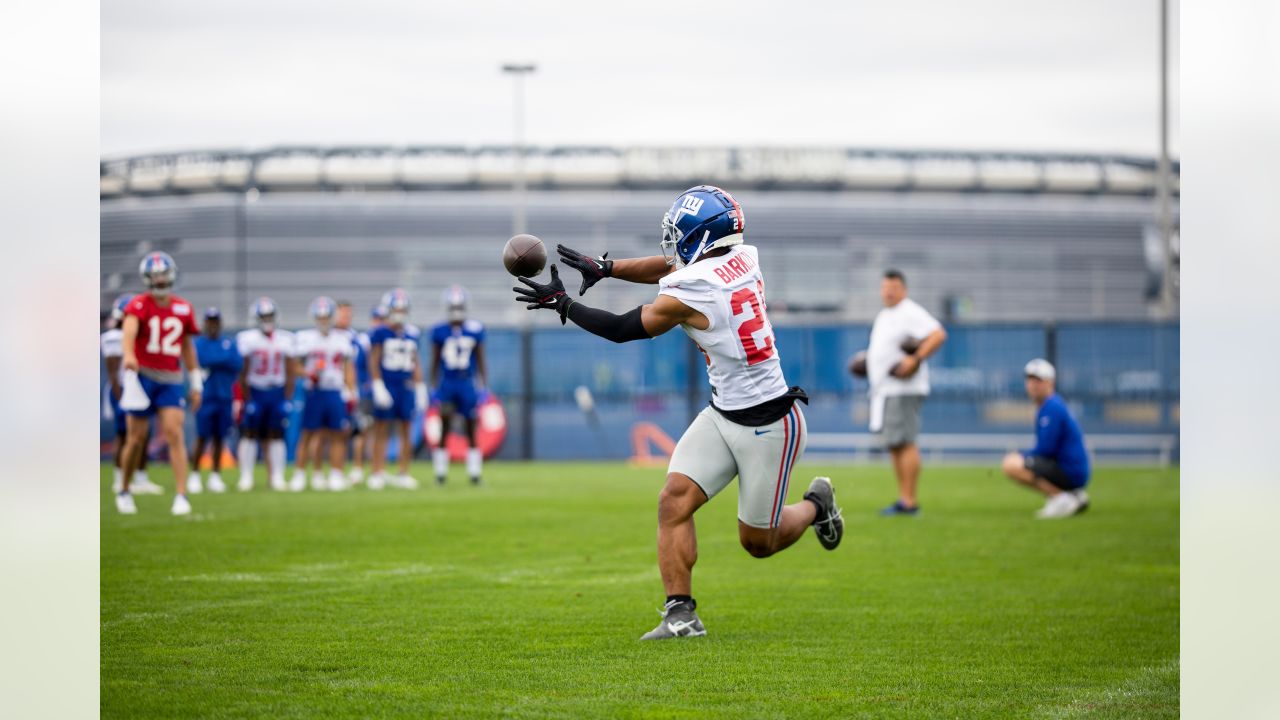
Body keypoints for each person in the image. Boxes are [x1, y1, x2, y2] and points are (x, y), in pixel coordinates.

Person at [520, 185, 844, 640]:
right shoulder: (743, 255)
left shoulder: (697, 291)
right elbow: (676, 267)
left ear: (702, 238)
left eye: (680, 235)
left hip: (770, 423)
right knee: (673, 500)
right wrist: (607, 268)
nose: (671, 245)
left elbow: (621, 329)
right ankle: (681, 614)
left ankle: (816, 506)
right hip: (723, 412)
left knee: (758, 543)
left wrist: (565, 304)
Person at [116, 252, 202, 515]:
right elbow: (128, 333)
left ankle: (181, 495)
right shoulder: (139, 305)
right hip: (143, 377)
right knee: (136, 438)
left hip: (171, 378)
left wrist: (196, 381)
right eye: (155, 276)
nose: (160, 279)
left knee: (175, 433)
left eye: (163, 274)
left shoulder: (183, 307)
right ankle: (124, 489)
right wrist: (129, 355)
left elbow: (187, 347)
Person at [866, 269, 948, 516]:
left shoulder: (909, 311)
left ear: (904, 290)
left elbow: (938, 334)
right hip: (887, 390)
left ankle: (909, 501)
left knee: (905, 442)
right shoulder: (885, 315)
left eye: (893, 287)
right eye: (885, 287)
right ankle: (904, 499)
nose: (888, 291)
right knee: (895, 444)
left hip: (903, 388)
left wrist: (915, 359)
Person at [1001, 359, 1091, 518]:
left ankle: (1061, 498)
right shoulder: (1051, 405)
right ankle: (1072, 495)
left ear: (1050, 382)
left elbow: (1046, 449)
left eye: (1038, 380)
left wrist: (1022, 454)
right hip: (1072, 469)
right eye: (1030, 380)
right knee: (1018, 459)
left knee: (1011, 463)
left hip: (1070, 470)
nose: (1033, 384)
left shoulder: (1051, 407)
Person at [295, 297, 357, 492]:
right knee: (309, 433)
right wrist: (308, 373)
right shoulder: (305, 338)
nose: (323, 321)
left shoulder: (342, 338)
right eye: (320, 317)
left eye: (326, 317)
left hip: (334, 390)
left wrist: (350, 390)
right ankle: (302, 474)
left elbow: (348, 367)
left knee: (338, 434)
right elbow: (294, 366)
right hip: (314, 391)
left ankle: (336, 474)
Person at [235, 297, 297, 492]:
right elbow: (243, 371)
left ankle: (277, 477)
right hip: (255, 389)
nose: (267, 319)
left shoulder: (285, 339)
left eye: (270, 316)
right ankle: (246, 476)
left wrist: (287, 397)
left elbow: (290, 371)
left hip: (277, 390)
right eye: (264, 316)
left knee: (277, 434)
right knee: (249, 433)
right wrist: (245, 397)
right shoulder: (247, 338)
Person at [102, 294, 162, 495]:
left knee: (142, 436)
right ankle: (119, 478)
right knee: (123, 435)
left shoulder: (140, 335)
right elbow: (113, 373)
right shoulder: (114, 337)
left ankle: (141, 478)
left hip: (140, 389)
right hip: (124, 390)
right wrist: (120, 397)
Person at [429, 285, 488, 485]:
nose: (456, 308)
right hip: (448, 382)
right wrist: (433, 387)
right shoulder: (439, 330)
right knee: (444, 427)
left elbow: (481, 360)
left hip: (466, 382)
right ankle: (440, 474)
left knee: (471, 427)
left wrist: (484, 386)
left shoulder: (475, 329)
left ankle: (474, 474)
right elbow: (435, 361)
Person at [368, 289, 427, 490]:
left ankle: (403, 472)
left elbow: (415, 361)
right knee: (381, 429)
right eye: (396, 308)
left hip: (405, 385)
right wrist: (377, 385)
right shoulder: (380, 331)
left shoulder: (412, 332)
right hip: (388, 383)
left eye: (403, 308)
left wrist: (420, 386)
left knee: (406, 429)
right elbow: (374, 360)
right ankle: (377, 472)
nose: (400, 312)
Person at [187, 308, 241, 494]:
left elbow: (236, 363)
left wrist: (213, 361)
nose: (212, 325)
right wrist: (219, 360)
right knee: (202, 436)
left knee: (220, 437)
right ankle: (194, 475)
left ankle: (215, 476)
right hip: (206, 396)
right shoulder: (198, 343)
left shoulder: (228, 342)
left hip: (225, 397)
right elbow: (200, 360)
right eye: (209, 321)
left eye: (215, 321)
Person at [347, 304, 386, 485]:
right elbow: (355, 366)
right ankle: (358, 468)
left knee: (379, 431)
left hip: (382, 390)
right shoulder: (364, 340)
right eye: (378, 319)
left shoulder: (387, 337)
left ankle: (377, 470)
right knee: (362, 430)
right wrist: (356, 388)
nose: (380, 323)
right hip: (367, 390)